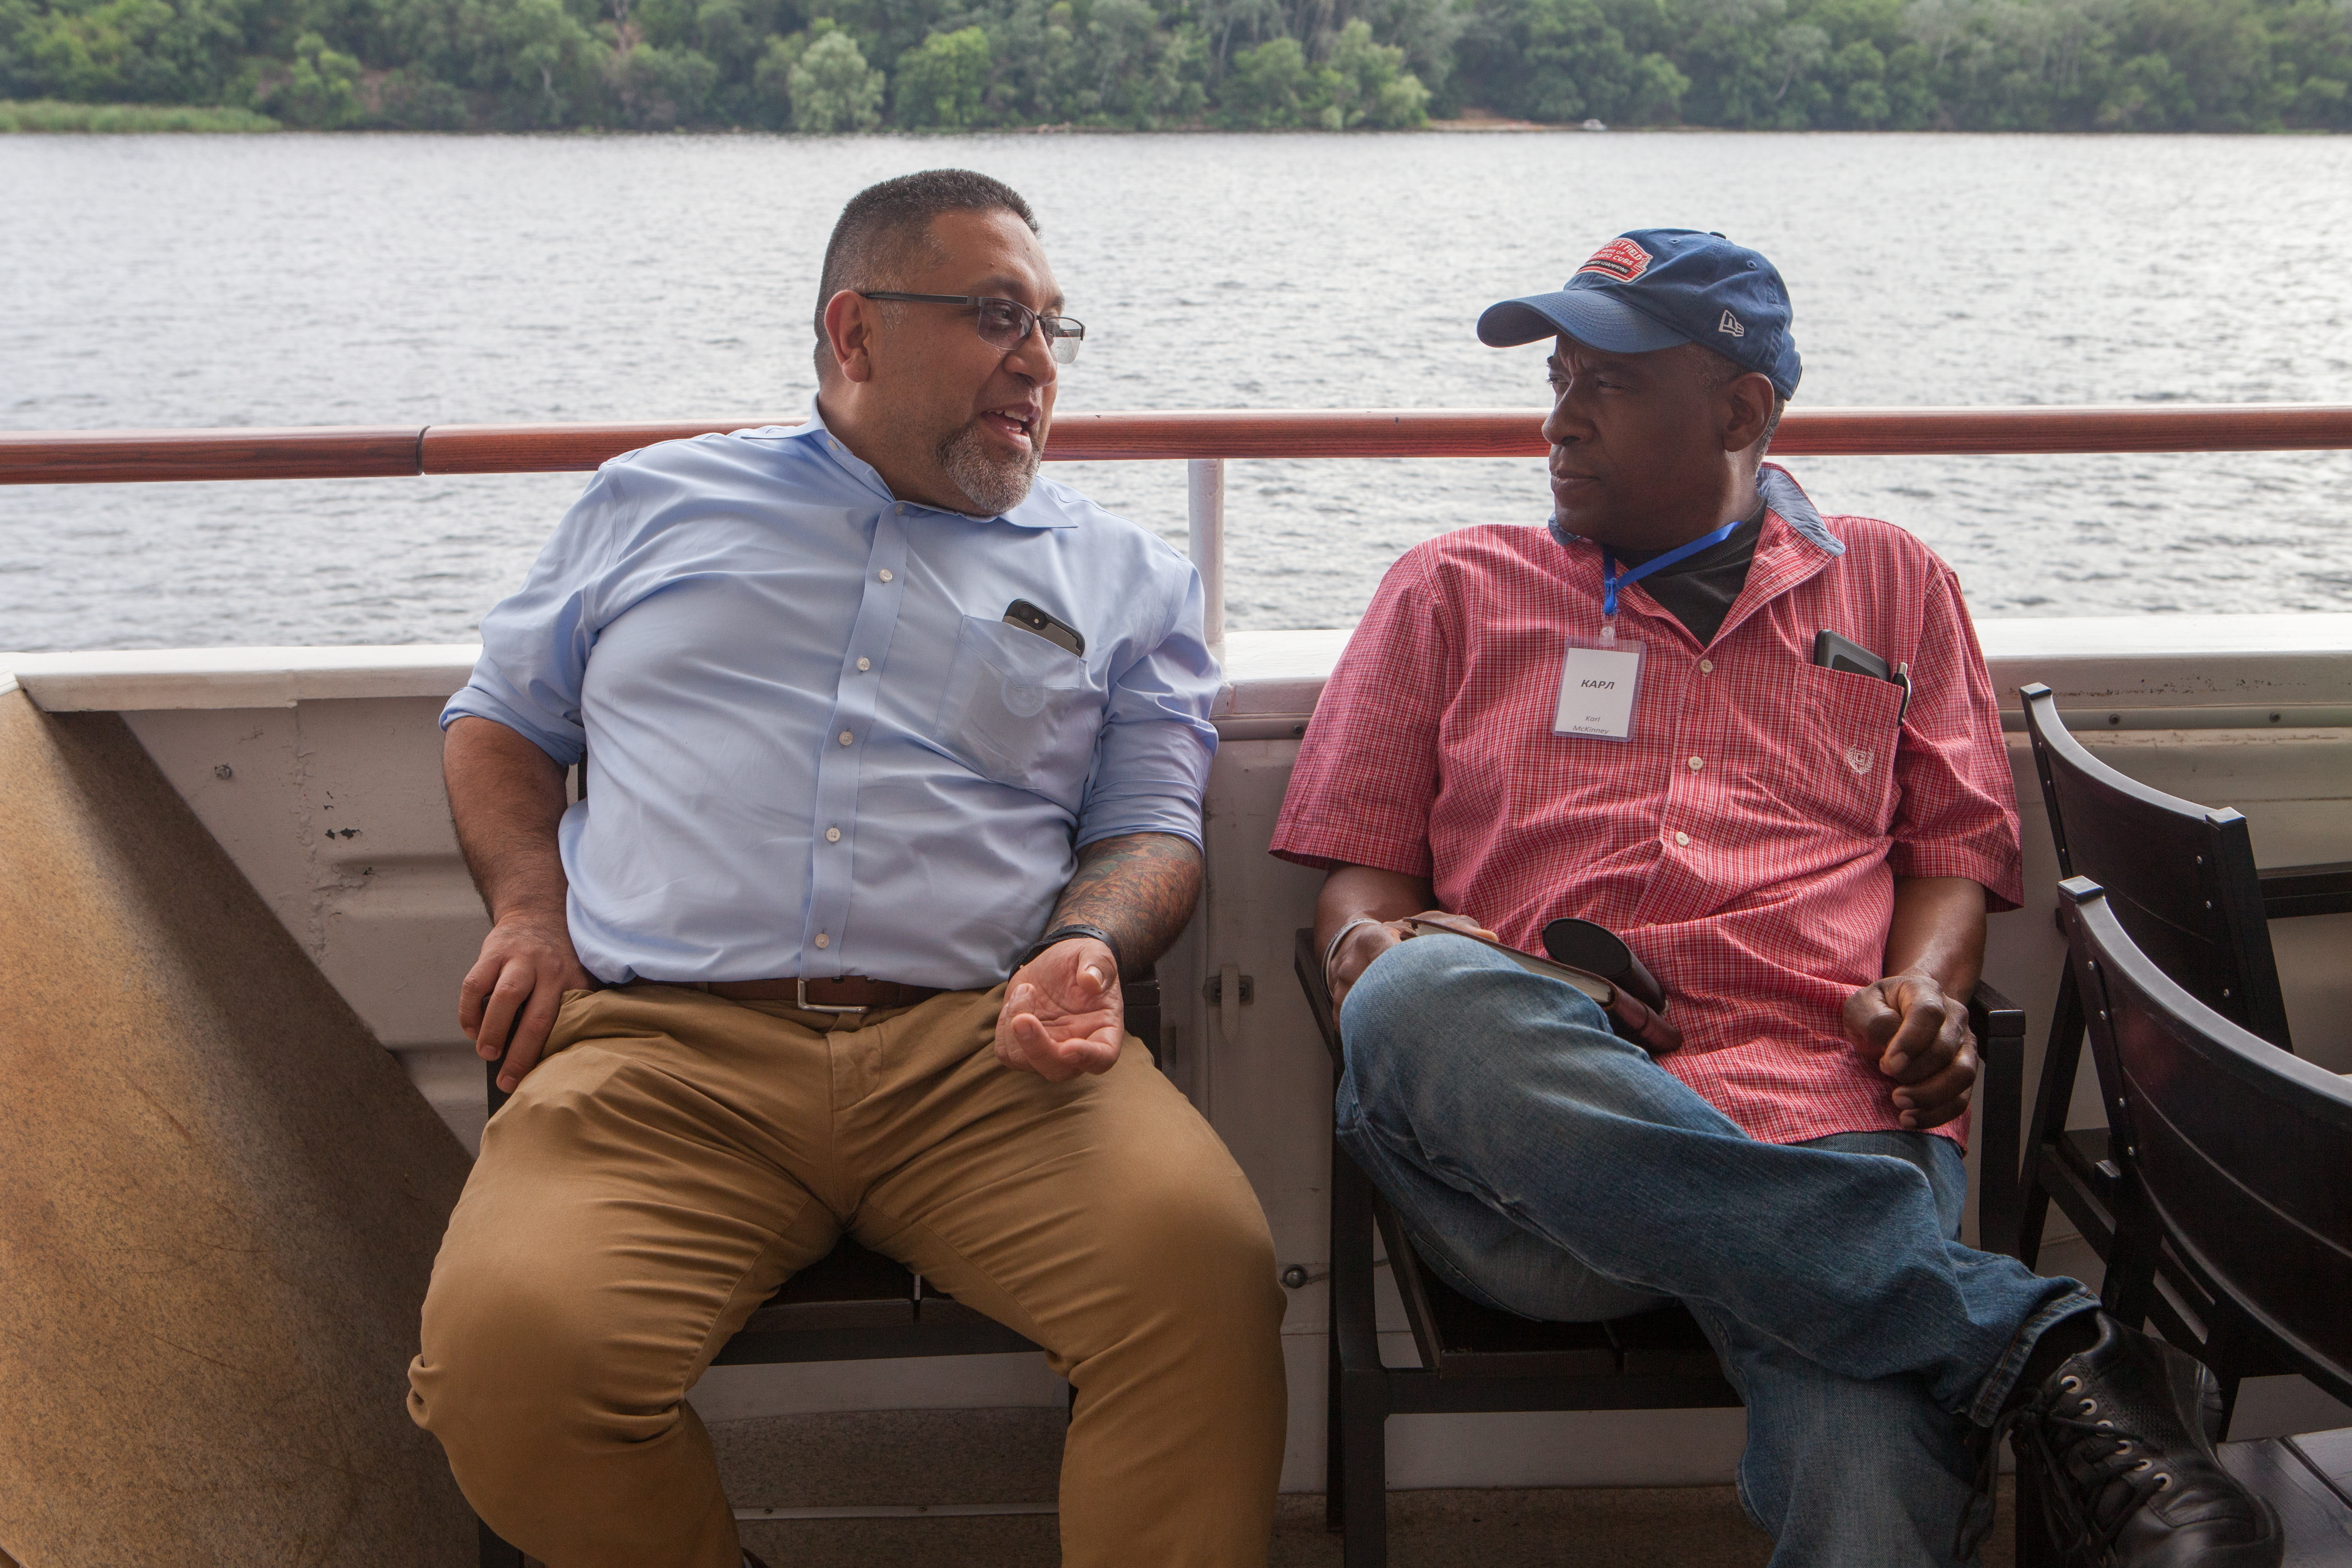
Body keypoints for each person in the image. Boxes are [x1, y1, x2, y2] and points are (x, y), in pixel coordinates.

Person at [1270, 229, 2281, 1567]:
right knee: (1413, 994)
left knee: (1865, 1477)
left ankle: (1962, 1325)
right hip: (1538, 1160)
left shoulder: (1897, 583)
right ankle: (2040, 1340)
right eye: (1557, 377)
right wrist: (1364, 941)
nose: (1557, 420)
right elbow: (1362, 865)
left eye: (1606, 386)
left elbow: (1952, 853)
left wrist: (1924, 989)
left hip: (1824, 1110)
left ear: (1741, 411)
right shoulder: (1449, 587)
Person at [406, 170, 1287, 1568]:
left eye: (1056, 327)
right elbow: (503, 719)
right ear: (855, 331)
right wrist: (530, 905)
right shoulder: (652, 502)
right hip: (663, 1055)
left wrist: (1091, 948)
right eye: (1000, 314)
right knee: (508, 1366)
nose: (1038, 361)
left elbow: (1148, 830)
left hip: (987, 1054)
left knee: (1206, 1286)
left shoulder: (1124, 577)